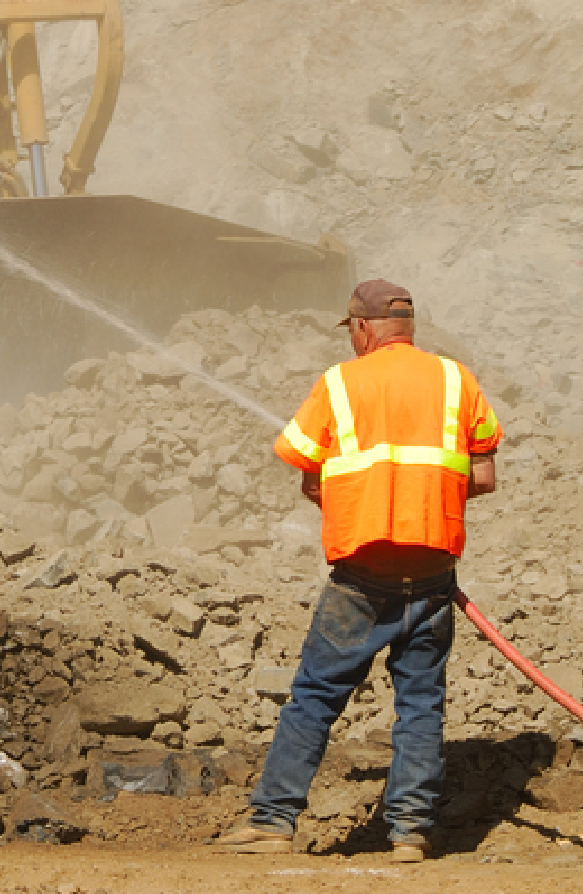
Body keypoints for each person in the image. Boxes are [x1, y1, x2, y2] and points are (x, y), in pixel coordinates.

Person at [216, 279, 503, 863]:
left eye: (351, 329)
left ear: (364, 327)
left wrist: (361, 496)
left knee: (316, 694)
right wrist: (424, 496)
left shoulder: (339, 384)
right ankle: (410, 833)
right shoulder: (455, 380)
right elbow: (485, 476)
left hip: (361, 574)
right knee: (421, 701)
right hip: (431, 570)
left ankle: (273, 819)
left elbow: (308, 475)